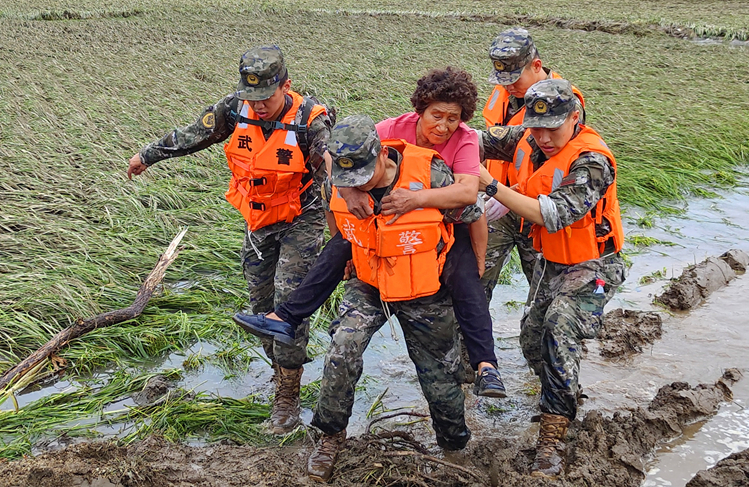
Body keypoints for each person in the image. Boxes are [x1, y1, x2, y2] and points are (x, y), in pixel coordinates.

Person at [233, 67, 506, 399]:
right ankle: (285, 317)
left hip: (444, 221)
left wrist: (417, 201)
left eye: (454, 118)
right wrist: (350, 192)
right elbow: (339, 154)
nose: (444, 126)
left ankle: (486, 367)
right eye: (437, 115)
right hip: (383, 218)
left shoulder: (464, 139)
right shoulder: (392, 128)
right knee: (338, 247)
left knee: (467, 282)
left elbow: (467, 196)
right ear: (421, 109)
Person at [127, 45, 329, 435]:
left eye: (266, 97)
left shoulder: (310, 120)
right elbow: (193, 135)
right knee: (259, 304)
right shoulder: (235, 108)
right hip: (258, 219)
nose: (259, 106)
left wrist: (345, 239)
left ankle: (287, 396)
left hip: (302, 217)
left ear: (285, 85)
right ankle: (279, 370)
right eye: (251, 97)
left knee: (288, 304)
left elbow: (334, 174)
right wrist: (147, 155)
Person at [305, 116, 477, 482]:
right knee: (342, 346)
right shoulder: (340, 178)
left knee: (441, 376)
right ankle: (331, 436)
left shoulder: (430, 171)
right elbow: (332, 215)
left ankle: (454, 446)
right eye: (351, 179)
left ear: (383, 153)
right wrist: (348, 252)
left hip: (424, 289)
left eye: (365, 175)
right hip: (369, 282)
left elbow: (470, 215)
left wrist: (474, 270)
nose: (360, 184)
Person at [477, 78, 626, 478]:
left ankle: (553, 437)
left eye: (552, 128)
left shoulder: (593, 161)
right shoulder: (525, 136)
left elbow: (554, 214)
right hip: (551, 262)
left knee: (560, 325)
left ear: (574, 118)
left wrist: (493, 186)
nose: (541, 137)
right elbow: (475, 138)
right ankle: (562, 391)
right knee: (532, 339)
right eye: (535, 127)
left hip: (594, 266)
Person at [480, 27, 585, 299]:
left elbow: (556, 162)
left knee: (544, 294)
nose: (508, 86)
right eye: (503, 78)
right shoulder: (503, 93)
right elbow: (492, 140)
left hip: (536, 208)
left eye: (515, 78)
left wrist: (508, 193)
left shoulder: (563, 104)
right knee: (474, 286)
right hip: (494, 207)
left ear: (536, 65)